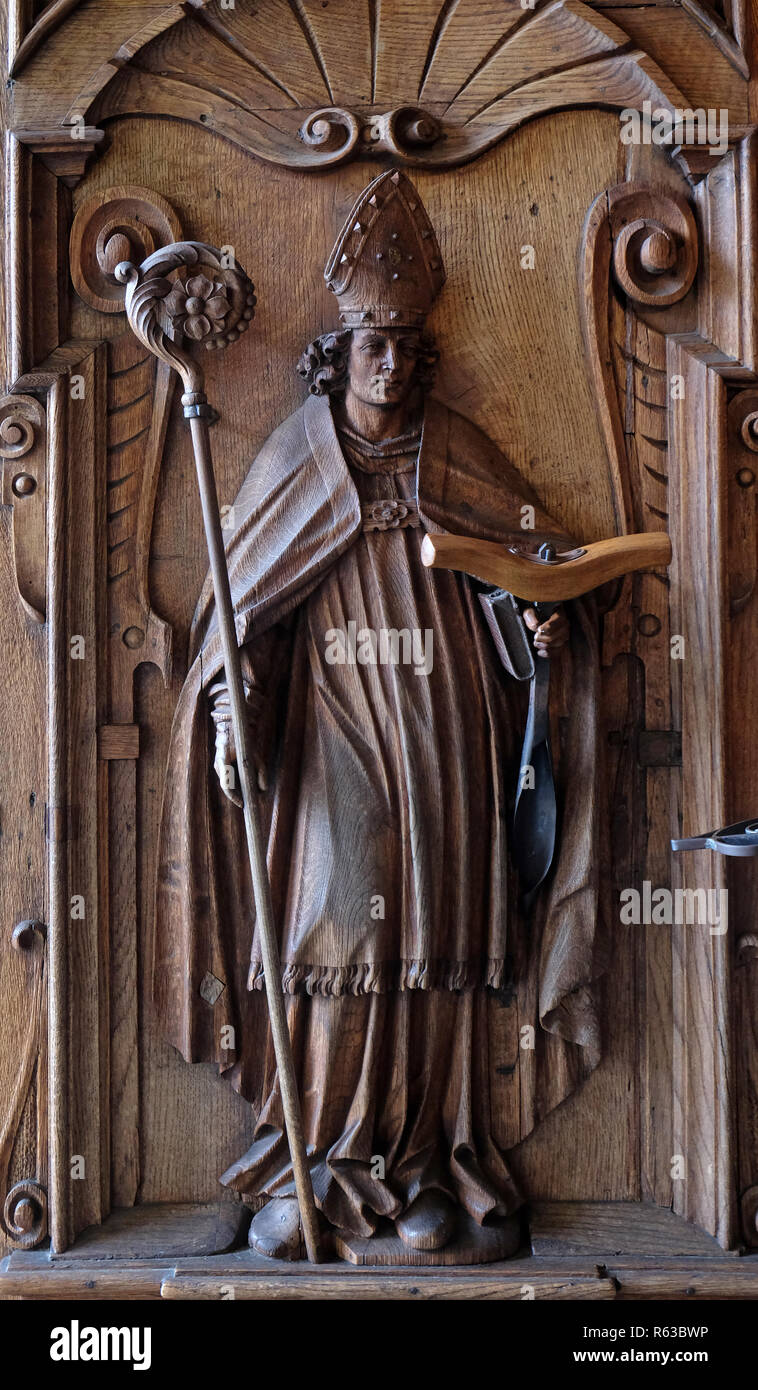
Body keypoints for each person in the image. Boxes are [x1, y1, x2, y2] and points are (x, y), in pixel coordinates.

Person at [155, 170, 603, 1260]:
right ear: (337, 355)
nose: (392, 364)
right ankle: (328, 1160)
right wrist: (232, 699)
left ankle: (429, 1160)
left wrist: (534, 626)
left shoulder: (451, 450)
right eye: (372, 347)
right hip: (333, 725)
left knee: (436, 936)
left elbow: (525, 564)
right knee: (337, 926)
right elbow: (239, 612)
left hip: (446, 721)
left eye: (406, 347)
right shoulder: (295, 456)